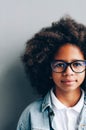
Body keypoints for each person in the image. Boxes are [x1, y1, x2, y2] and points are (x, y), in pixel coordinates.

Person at [17, 15, 86, 130]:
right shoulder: (31, 114)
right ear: (48, 69)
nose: (68, 72)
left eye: (77, 64)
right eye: (59, 65)